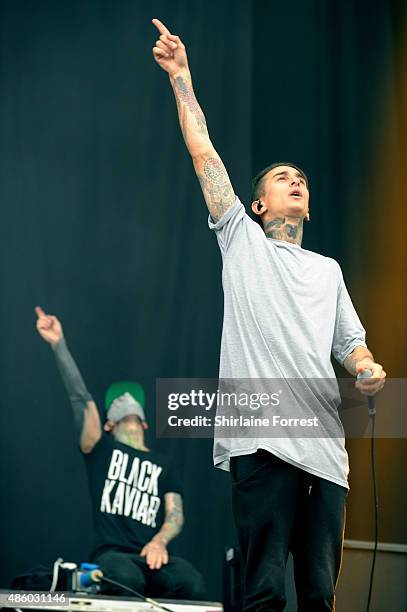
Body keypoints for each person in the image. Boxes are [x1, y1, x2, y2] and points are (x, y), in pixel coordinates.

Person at [151, 18, 387, 612]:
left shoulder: (327, 270)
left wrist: (366, 366)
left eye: (302, 179)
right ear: (258, 205)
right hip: (261, 438)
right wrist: (182, 78)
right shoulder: (242, 239)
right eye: (284, 179)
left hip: (325, 449)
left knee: (318, 593)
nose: (297, 181)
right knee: (262, 589)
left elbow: (351, 341)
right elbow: (203, 151)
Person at [35, 306, 206, 601]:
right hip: (114, 555)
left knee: (190, 581)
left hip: (152, 553)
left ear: (145, 423)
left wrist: (160, 542)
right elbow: (80, 398)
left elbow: (175, 514)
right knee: (125, 578)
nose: (126, 404)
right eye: (119, 412)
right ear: (108, 424)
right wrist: (59, 344)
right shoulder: (101, 450)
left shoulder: (164, 465)